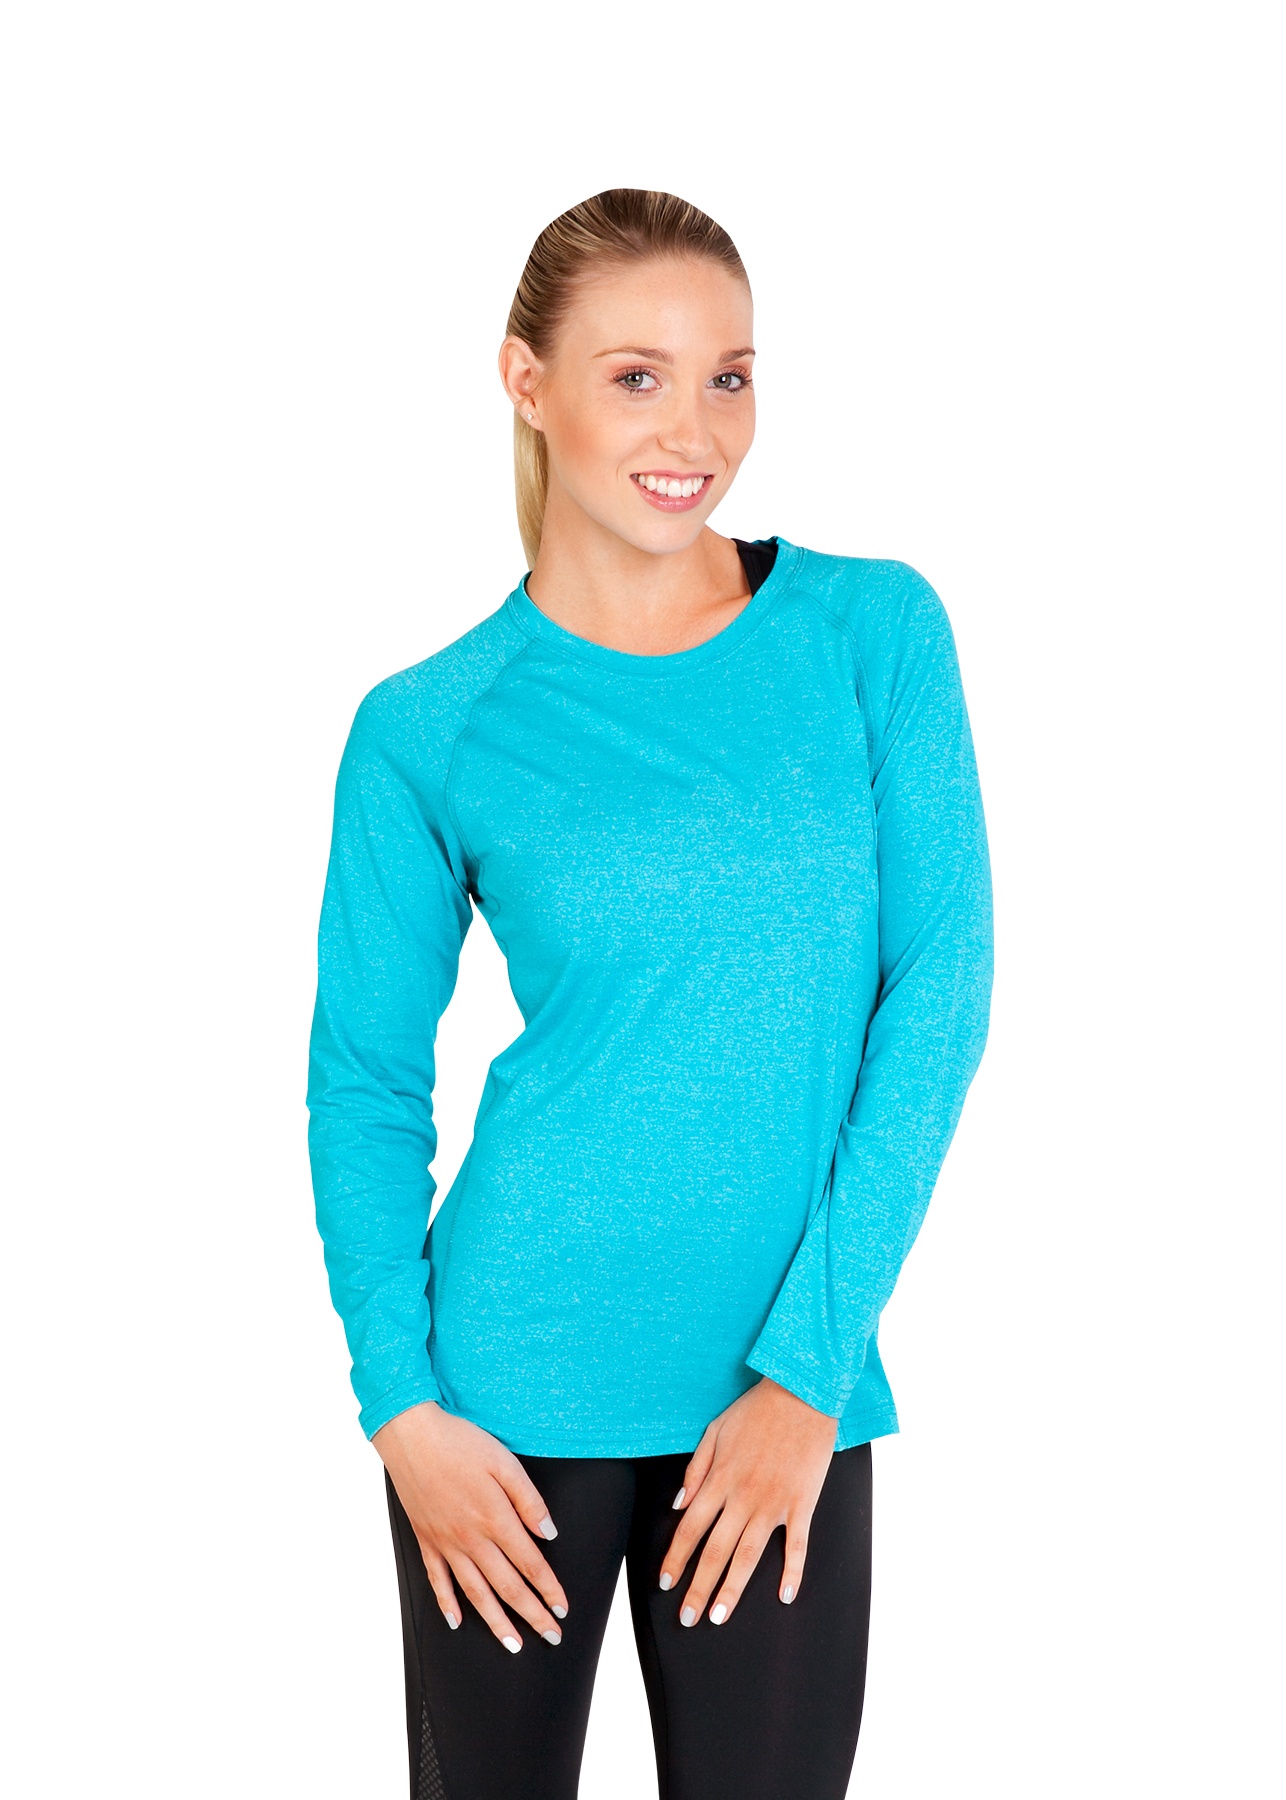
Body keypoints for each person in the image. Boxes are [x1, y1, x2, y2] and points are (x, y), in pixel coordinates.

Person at [307, 188, 993, 1800]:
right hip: (499, 1403)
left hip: (782, 1398)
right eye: (637, 377)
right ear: (525, 381)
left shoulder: (868, 630)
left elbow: (939, 990)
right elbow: (364, 1081)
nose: (694, 431)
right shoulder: (428, 724)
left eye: (728, 377)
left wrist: (808, 1371)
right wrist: (401, 1407)